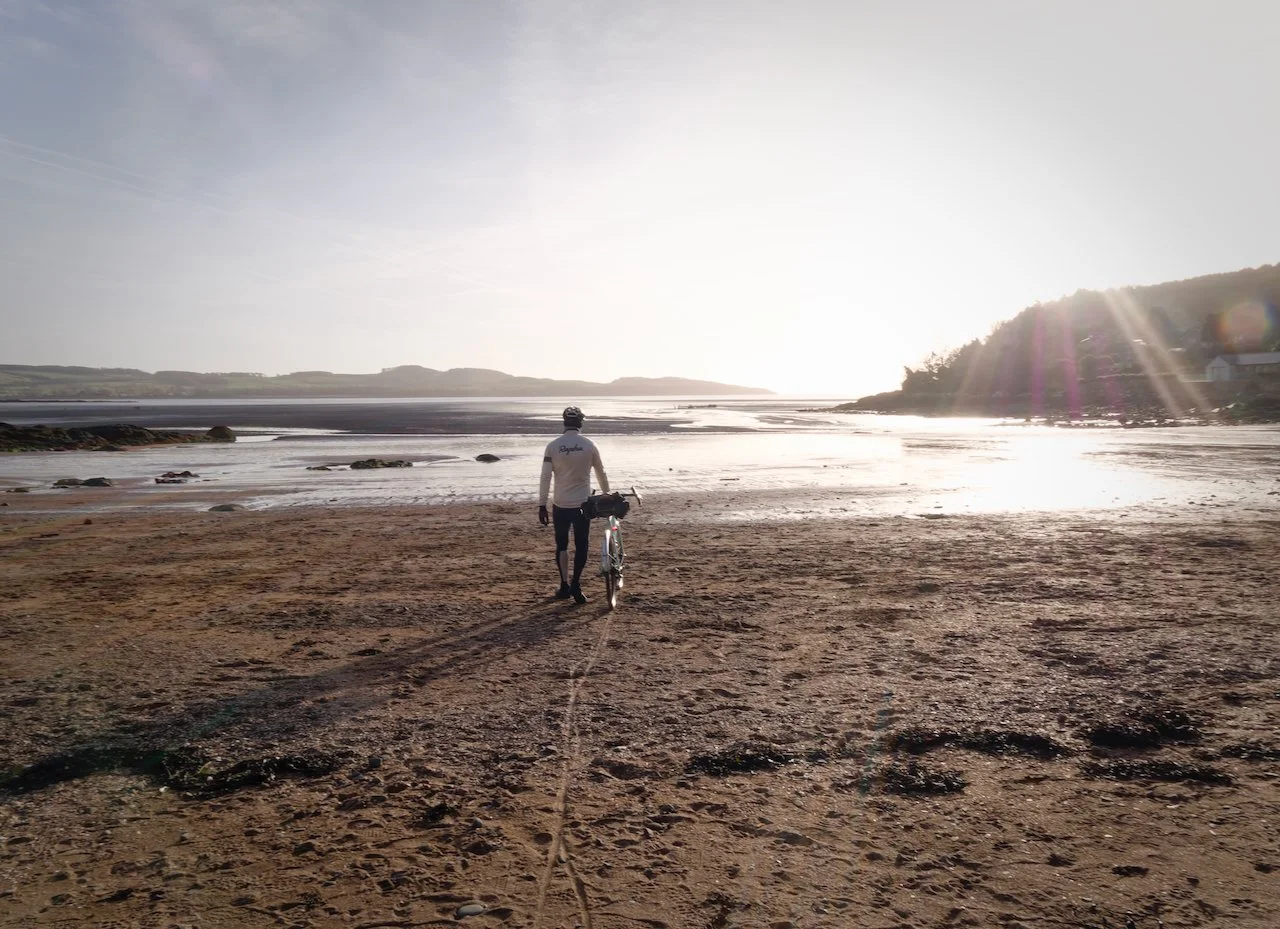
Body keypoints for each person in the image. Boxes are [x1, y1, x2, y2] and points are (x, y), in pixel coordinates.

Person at [538, 406, 609, 604]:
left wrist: (542, 504)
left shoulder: (553, 446)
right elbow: (601, 472)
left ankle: (564, 585)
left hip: (560, 503)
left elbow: (545, 477)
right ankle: (576, 583)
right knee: (582, 544)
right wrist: (606, 493)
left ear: (564, 422)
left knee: (562, 545)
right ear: (580, 423)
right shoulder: (589, 445)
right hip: (583, 503)